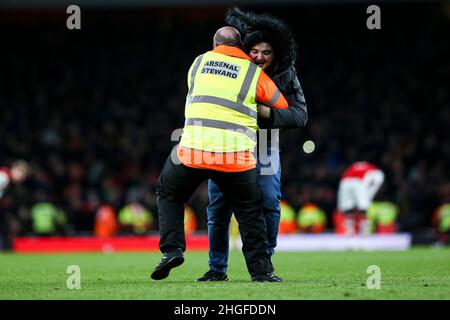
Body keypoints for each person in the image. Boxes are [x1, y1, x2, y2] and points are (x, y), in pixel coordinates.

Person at [150, 26, 288, 282]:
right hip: (235, 157)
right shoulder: (253, 72)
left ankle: (172, 249)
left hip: (193, 151)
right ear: (241, 47)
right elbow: (280, 105)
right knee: (250, 213)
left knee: (168, 192)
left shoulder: (199, 62)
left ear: (215, 44)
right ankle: (262, 271)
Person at [197, 7, 308, 281]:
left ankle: (264, 262)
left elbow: (300, 115)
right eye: (255, 51)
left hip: (265, 143)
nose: (259, 57)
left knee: (269, 200)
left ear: (276, 55)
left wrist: (269, 114)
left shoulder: (286, 74)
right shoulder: (233, 67)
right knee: (219, 206)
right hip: (228, 141)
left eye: (266, 52)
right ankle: (217, 268)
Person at [336, 161, 385, 235]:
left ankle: (349, 230)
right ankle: (364, 230)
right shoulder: (378, 172)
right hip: (359, 181)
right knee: (363, 207)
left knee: (347, 207)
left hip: (345, 181)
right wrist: (368, 197)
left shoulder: (356, 165)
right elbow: (375, 185)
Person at [0, 160, 32, 250]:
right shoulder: (3, 178)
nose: (21, 177)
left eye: (24, 176)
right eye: (20, 173)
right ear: (14, 169)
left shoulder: (8, 181)